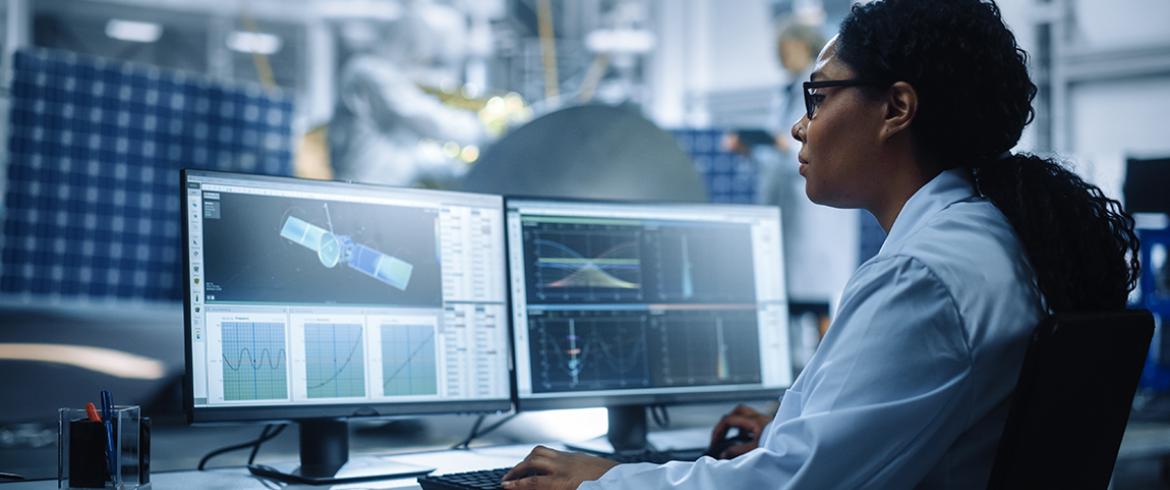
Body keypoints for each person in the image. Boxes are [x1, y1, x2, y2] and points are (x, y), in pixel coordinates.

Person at [499, 0, 1141, 488]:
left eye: (818, 96)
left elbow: (791, 485)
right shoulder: (992, 238)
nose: (799, 127)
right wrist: (794, 428)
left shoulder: (925, 273)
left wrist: (606, 480)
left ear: (896, 109)